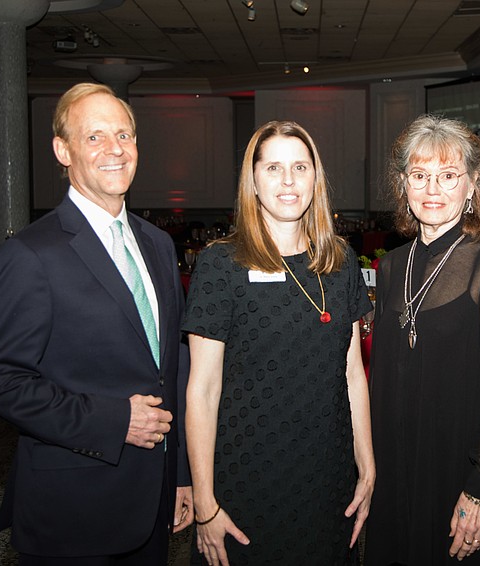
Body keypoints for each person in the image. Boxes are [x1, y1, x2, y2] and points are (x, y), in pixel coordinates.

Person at [0, 82, 193, 564]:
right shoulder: (30, 255)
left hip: (153, 497)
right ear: (62, 150)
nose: (115, 149)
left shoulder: (157, 244)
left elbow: (170, 363)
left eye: (124, 135)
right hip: (75, 508)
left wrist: (181, 474)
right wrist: (114, 420)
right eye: (94, 137)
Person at [183, 120, 375, 566]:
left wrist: (366, 466)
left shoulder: (341, 261)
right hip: (248, 477)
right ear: (252, 180)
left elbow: (351, 373)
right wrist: (205, 501)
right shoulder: (220, 265)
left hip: (327, 477)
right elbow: (203, 390)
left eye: (300, 167)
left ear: (315, 179)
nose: (288, 181)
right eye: (273, 168)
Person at [364, 114, 480, 565]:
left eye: (448, 176)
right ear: (404, 186)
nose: (433, 190)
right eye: (420, 176)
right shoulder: (392, 265)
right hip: (396, 468)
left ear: (473, 185)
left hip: (459, 467)